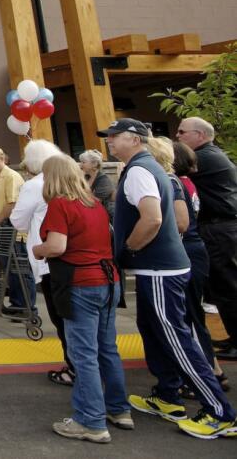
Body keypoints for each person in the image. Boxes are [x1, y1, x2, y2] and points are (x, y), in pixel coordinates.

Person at [103, 118, 236, 439]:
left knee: (177, 340)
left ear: (135, 139)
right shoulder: (145, 167)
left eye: (114, 136)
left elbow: (152, 219)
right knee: (154, 331)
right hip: (158, 268)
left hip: (159, 269)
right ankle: (167, 395)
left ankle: (220, 412)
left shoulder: (138, 170)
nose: (109, 141)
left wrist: (127, 251)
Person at [32, 155, 130, 443]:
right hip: (108, 280)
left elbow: (57, 246)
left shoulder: (60, 205)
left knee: (83, 354)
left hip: (79, 283)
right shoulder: (94, 204)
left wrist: (38, 250)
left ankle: (90, 421)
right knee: (107, 349)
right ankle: (118, 409)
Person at [160, 139, 229, 394]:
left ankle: (208, 374)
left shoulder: (175, 184)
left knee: (188, 317)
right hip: (194, 250)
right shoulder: (187, 182)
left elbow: (179, 223)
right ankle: (211, 370)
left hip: (186, 251)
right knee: (190, 315)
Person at [174, 117, 237, 362]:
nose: (177, 136)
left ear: (200, 135)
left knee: (227, 286)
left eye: (182, 132)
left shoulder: (205, 157)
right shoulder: (212, 155)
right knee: (221, 287)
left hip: (219, 229)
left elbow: (174, 166)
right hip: (219, 227)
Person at [11, 140, 66, 382]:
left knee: (61, 316)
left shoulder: (35, 186)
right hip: (75, 259)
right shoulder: (72, 185)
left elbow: (18, 221)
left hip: (47, 255)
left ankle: (74, 367)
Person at [79, 149, 115, 218]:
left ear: (94, 164)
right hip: (90, 214)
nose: (80, 165)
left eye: (83, 162)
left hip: (107, 216)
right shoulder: (85, 177)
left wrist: (83, 192)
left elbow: (96, 202)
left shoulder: (103, 180)